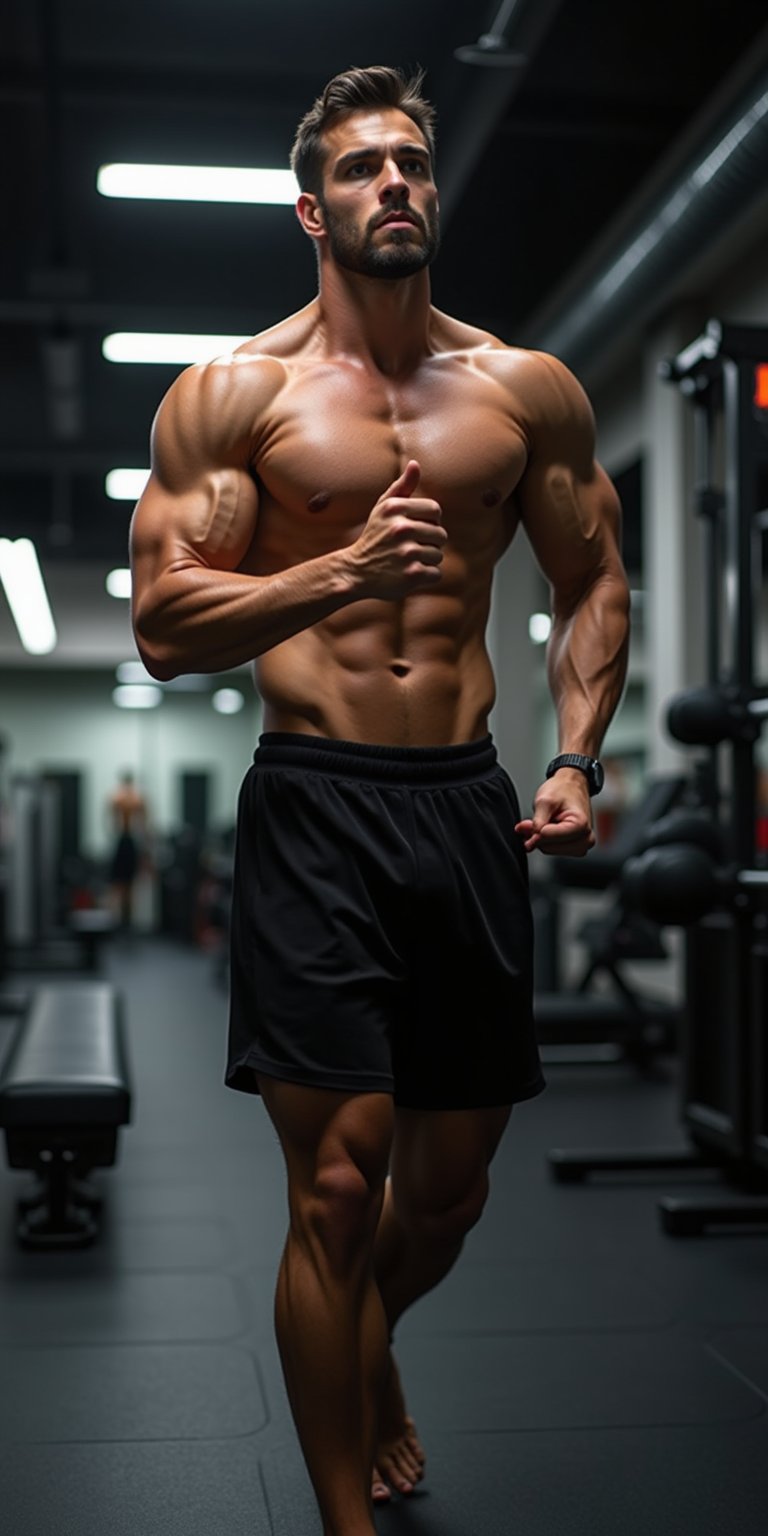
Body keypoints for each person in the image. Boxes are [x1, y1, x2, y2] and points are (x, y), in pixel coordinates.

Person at [129, 64, 630, 1536]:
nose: (395, 182)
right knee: (337, 1193)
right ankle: (346, 1517)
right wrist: (333, 574)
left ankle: (371, 1347)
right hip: (319, 805)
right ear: (312, 209)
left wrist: (575, 759)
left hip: (470, 805)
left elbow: (592, 577)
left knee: (449, 1193)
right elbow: (165, 627)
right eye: (361, 169)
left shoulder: (522, 392)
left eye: (413, 161)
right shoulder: (236, 395)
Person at [107, 770, 147, 929]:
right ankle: (124, 922)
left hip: (125, 840)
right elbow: (144, 825)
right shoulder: (136, 799)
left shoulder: (117, 798)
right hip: (128, 841)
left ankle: (124, 923)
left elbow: (110, 822)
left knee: (124, 885)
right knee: (125, 886)